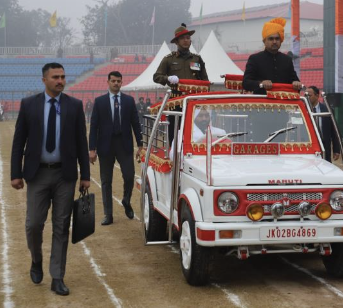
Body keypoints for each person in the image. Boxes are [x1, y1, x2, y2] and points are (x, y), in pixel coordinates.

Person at [11, 62, 90, 296]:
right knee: (33, 224)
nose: (60, 81)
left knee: (61, 226)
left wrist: (85, 175)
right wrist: (16, 173)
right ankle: (36, 260)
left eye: (63, 77)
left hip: (64, 174)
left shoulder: (74, 106)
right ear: (44, 79)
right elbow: (18, 142)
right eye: (55, 77)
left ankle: (57, 276)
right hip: (37, 174)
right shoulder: (29, 105)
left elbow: (81, 143)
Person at [89, 71, 143, 226]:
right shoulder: (99, 102)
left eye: (118, 81)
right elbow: (94, 126)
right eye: (113, 81)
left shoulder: (128, 101)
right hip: (105, 145)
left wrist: (140, 144)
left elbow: (135, 123)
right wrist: (92, 149)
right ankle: (108, 214)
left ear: (122, 82)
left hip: (124, 144)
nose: (116, 83)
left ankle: (126, 200)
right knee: (106, 181)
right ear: (108, 82)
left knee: (129, 175)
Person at [154, 23, 208, 144]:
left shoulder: (197, 59)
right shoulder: (169, 59)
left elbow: (205, 82)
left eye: (188, 38)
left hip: (193, 103)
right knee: (175, 136)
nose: (186, 40)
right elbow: (156, 77)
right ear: (177, 42)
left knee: (194, 135)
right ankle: (175, 159)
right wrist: (168, 79)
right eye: (183, 38)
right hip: (176, 103)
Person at [242, 18, 301, 94]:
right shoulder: (254, 59)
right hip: (262, 103)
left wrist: (296, 83)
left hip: (283, 103)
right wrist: (261, 83)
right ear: (264, 41)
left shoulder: (287, 60)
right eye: (271, 39)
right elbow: (246, 83)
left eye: (277, 39)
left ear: (281, 41)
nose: (274, 42)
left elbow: (295, 81)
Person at [306, 86, 340, 163]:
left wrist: (336, 150)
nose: (307, 98)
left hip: (324, 147)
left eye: (309, 95)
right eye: (306, 96)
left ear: (317, 95)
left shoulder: (327, 109)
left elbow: (334, 131)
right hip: (308, 147)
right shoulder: (303, 110)